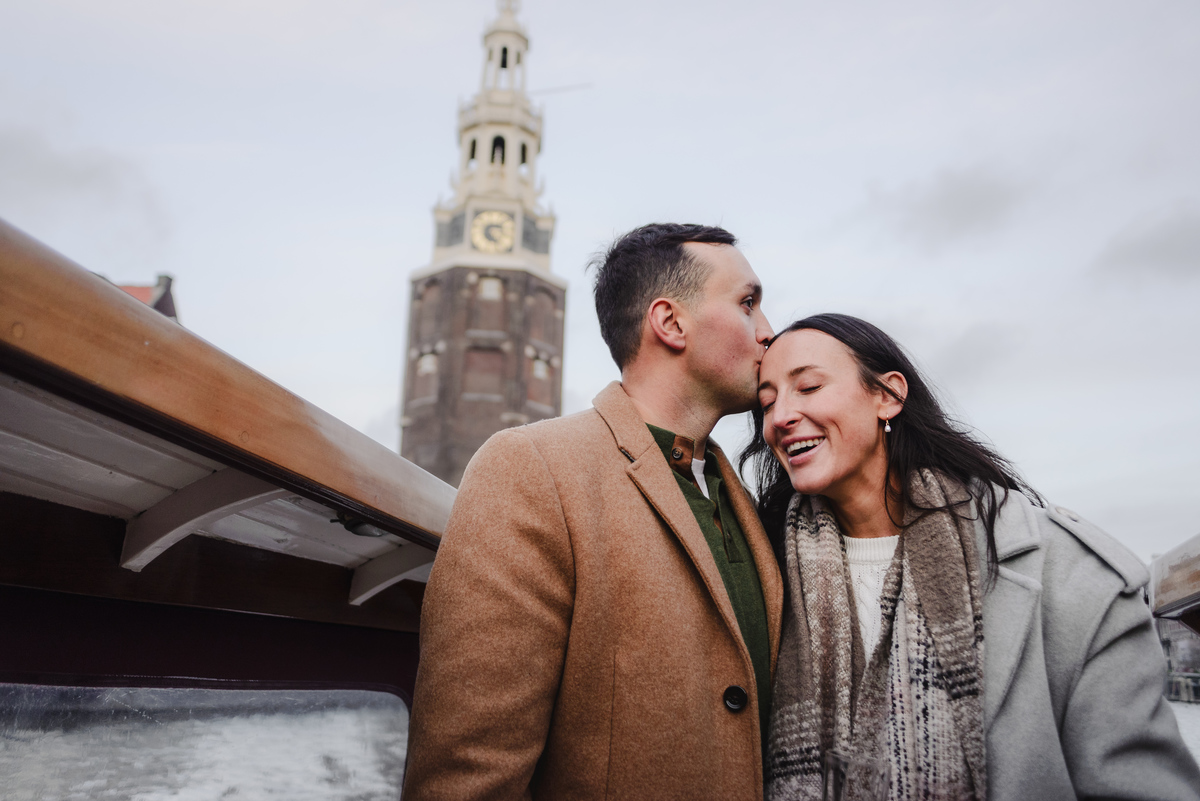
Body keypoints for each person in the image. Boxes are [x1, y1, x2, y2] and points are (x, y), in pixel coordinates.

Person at [746, 312, 1200, 801]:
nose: (780, 418)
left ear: (888, 396)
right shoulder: (761, 570)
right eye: (767, 403)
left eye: (809, 387)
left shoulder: (1063, 570)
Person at [403, 223, 784, 800]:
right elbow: (467, 777)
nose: (768, 333)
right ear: (670, 322)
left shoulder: (749, 505)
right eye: (748, 304)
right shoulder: (531, 469)